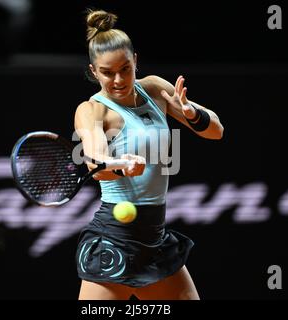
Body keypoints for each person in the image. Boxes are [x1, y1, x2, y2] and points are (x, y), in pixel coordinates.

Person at [74, 9, 224, 300]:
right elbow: (94, 162)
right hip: (113, 239)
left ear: (136, 61)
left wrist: (191, 113)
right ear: (94, 71)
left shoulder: (155, 89)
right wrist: (121, 165)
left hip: (155, 239)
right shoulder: (91, 110)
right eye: (107, 72)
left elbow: (216, 130)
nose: (118, 79)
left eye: (125, 68)